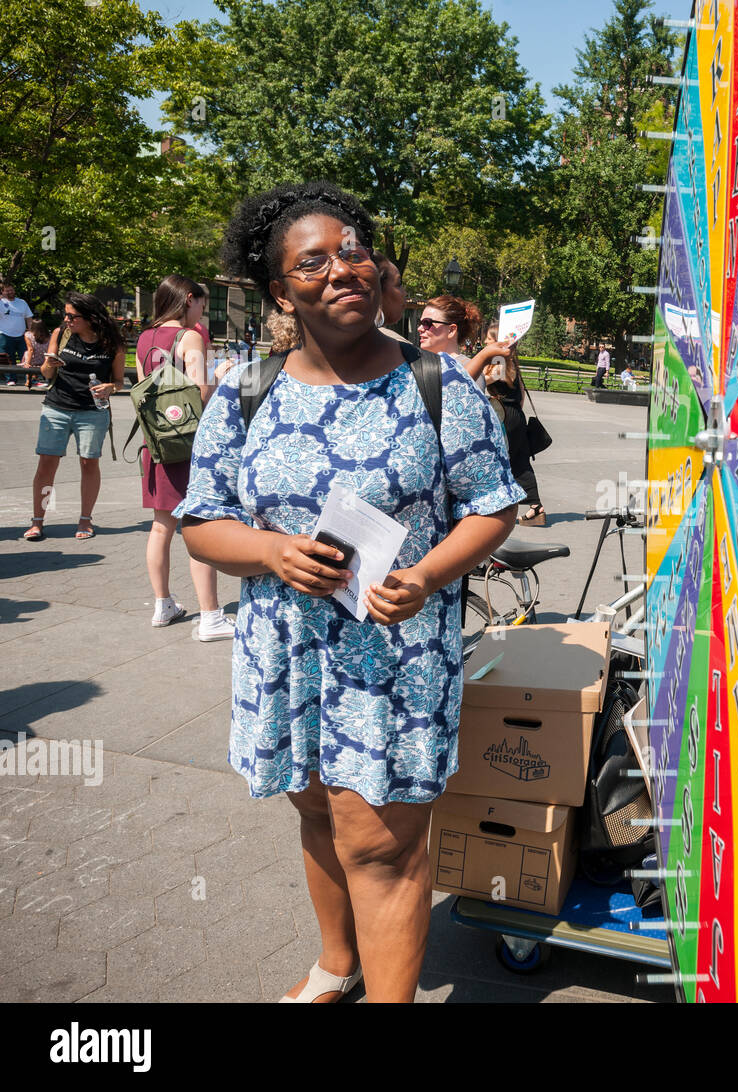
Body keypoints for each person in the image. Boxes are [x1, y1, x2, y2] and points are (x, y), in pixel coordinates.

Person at [174, 180, 524, 1003]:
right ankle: (338, 963)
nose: (344, 268)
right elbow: (200, 521)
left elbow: (492, 507)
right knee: (317, 818)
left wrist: (430, 572)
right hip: (285, 655)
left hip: (394, 658)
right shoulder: (246, 390)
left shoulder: (439, 384)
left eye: (356, 251)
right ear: (280, 290)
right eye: (315, 261)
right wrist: (269, 551)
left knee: (383, 847)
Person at [134, 276, 234, 639]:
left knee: (161, 526)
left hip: (156, 443)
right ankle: (210, 615)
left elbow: (146, 388)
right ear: (188, 299)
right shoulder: (191, 337)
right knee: (198, 524)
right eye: (201, 305)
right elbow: (201, 390)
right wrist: (220, 374)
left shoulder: (145, 337)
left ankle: (163, 605)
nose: (201, 313)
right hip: (189, 444)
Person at [24, 293, 125, 541]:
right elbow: (46, 373)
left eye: (72, 316)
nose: (66, 319)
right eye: (65, 315)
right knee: (47, 464)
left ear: (91, 318)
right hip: (56, 408)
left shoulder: (113, 343)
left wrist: (110, 387)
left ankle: (85, 520)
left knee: (88, 463)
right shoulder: (61, 334)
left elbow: (120, 381)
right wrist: (50, 364)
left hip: (92, 413)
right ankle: (38, 521)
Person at [479, 325, 545, 526]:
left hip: (505, 415)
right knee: (519, 460)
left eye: (489, 340)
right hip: (515, 414)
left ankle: (495, 507)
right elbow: (522, 394)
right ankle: (536, 508)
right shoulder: (511, 362)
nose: (485, 344)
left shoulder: (499, 363)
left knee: (498, 459)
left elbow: (480, 380)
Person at [1, 282, 34, 384]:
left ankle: (29, 379)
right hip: (5, 334)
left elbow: (28, 318)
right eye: (7, 290)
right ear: (3, 292)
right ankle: (11, 379)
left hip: (22, 335)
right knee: (8, 358)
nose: (10, 292)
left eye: (12, 290)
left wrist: (31, 331)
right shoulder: (1, 302)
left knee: (27, 357)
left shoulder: (22, 302)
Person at [21, 318, 50, 390]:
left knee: (28, 360)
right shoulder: (50, 336)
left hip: (33, 358)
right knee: (30, 361)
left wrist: (27, 363)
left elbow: (30, 350)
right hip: (44, 359)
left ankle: (29, 380)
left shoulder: (28, 335)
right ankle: (38, 380)